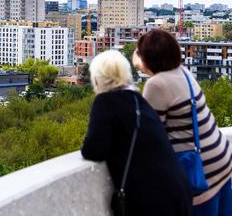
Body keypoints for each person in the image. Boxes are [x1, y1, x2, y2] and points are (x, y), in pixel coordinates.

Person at [135, 29, 232, 216]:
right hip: (221, 158)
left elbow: (149, 135)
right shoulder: (183, 72)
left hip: (200, 171)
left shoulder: (156, 84)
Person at [81, 50, 192, 216]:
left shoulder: (104, 102)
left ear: (97, 79)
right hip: (178, 190)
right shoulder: (138, 100)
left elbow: (94, 150)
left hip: (151, 199)